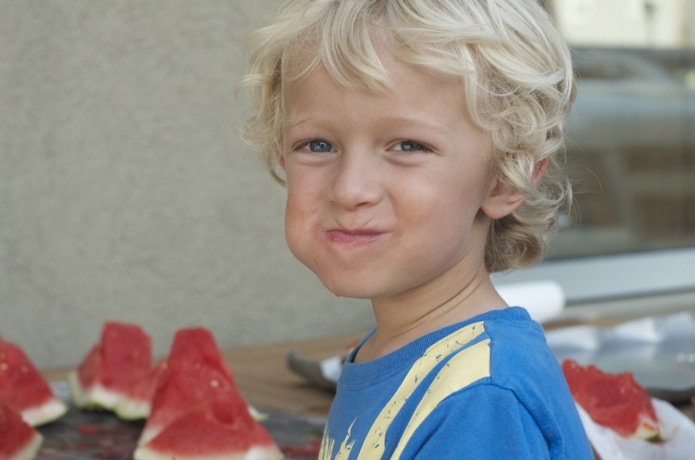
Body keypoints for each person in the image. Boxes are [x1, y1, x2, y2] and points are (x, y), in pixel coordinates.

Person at [242, 0, 593, 458]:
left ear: (506, 177)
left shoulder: (478, 402)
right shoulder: (396, 349)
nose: (350, 190)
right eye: (318, 144)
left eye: (408, 145)